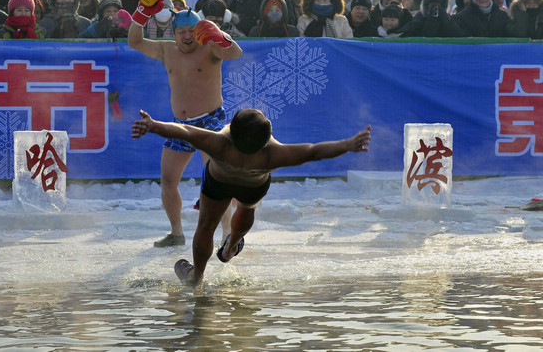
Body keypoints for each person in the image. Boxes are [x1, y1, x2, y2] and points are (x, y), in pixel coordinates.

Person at [131, 108, 371, 286]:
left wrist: (153, 125)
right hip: (253, 186)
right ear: (265, 139)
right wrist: (348, 144)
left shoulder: (219, 143)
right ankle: (231, 246)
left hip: (219, 182)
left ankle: (197, 277)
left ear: (232, 133)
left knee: (206, 224)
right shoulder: (273, 154)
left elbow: (184, 130)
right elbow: (314, 152)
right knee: (247, 209)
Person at [128, 0, 242, 247]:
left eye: (192, 31)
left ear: (199, 32)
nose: (187, 36)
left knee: (218, 182)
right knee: (168, 181)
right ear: (174, 33)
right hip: (181, 125)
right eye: (182, 32)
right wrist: (141, 15)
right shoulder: (167, 50)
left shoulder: (210, 47)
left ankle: (227, 235)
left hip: (211, 123)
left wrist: (222, 37)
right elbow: (135, 42)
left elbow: (235, 53)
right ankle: (177, 233)